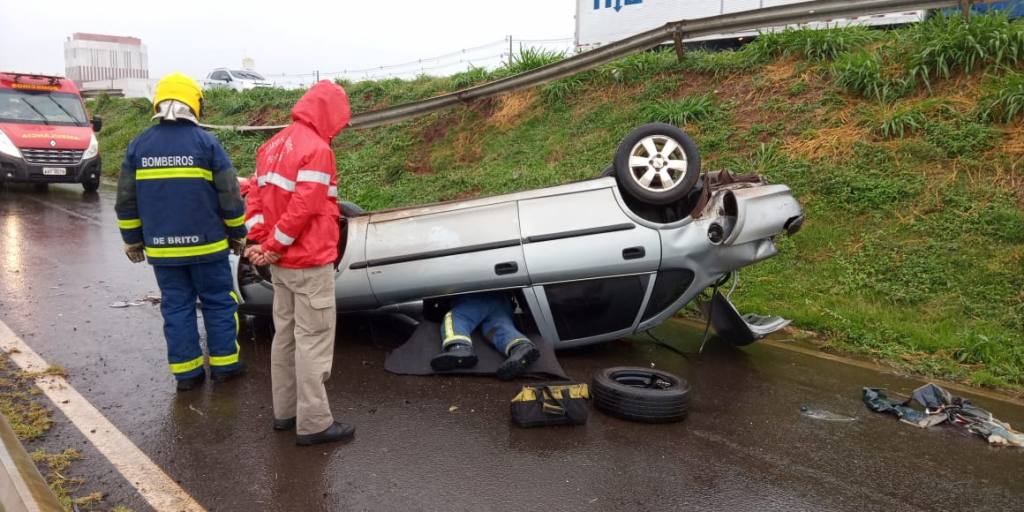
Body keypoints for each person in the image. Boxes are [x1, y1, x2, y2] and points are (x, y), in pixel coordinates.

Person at [115, 72, 248, 391]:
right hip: (207, 247)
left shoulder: (139, 146)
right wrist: (237, 232)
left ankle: (187, 374)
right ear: (194, 103)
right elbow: (229, 193)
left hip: (163, 252)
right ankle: (225, 366)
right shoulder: (206, 143)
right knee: (218, 302)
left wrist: (132, 240)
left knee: (176, 307)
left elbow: (125, 198)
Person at [244, 80, 354, 446]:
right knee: (314, 341)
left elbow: (254, 199)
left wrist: (262, 243)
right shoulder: (317, 149)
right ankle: (315, 423)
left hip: (283, 267)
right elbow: (305, 207)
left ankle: (285, 412)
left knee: (286, 338)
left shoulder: (271, 146)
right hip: (309, 262)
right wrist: (273, 246)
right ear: (329, 114)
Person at [430, 292, 541, 380]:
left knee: (456, 318)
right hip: (501, 300)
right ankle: (520, 347)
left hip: (473, 298)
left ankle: (459, 348)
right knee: (499, 328)